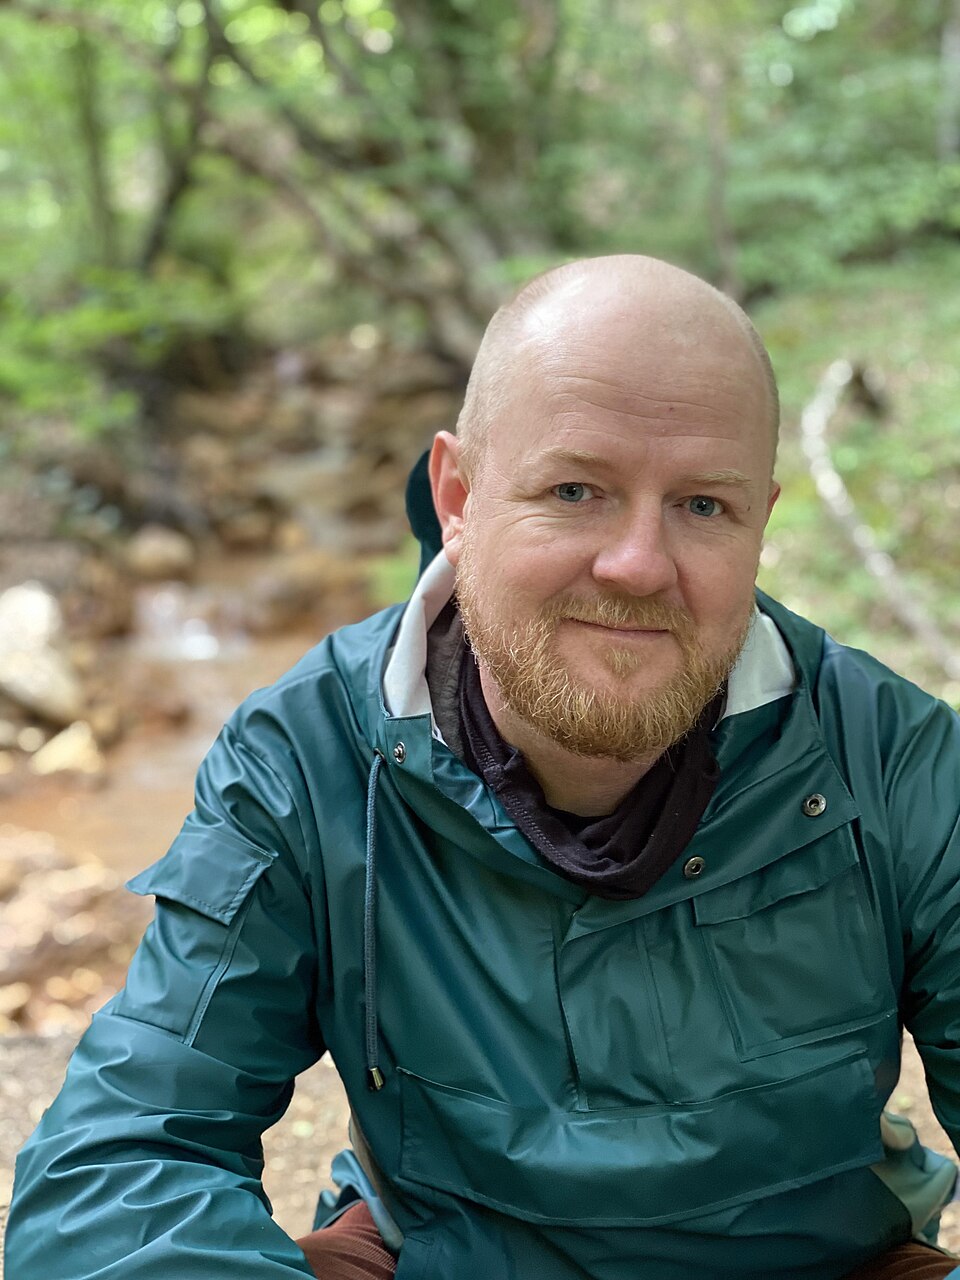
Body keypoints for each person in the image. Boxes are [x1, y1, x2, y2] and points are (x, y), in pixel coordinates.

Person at [6, 255, 960, 1280]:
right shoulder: (308, 759)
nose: (636, 562)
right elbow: (116, 1170)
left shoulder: (892, 761)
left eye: (701, 506)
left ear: (760, 520)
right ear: (456, 495)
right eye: (576, 488)